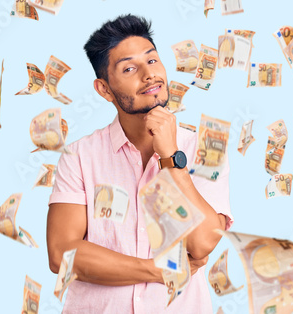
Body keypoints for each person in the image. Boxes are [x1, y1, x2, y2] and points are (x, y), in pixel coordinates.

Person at [46, 14, 233, 314]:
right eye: (129, 68)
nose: (149, 75)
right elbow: (62, 254)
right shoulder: (79, 156)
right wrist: (157, 270)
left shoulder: (204, 149)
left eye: (153, 61)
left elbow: (200, 244)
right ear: (104, 89)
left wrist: (172, 158)